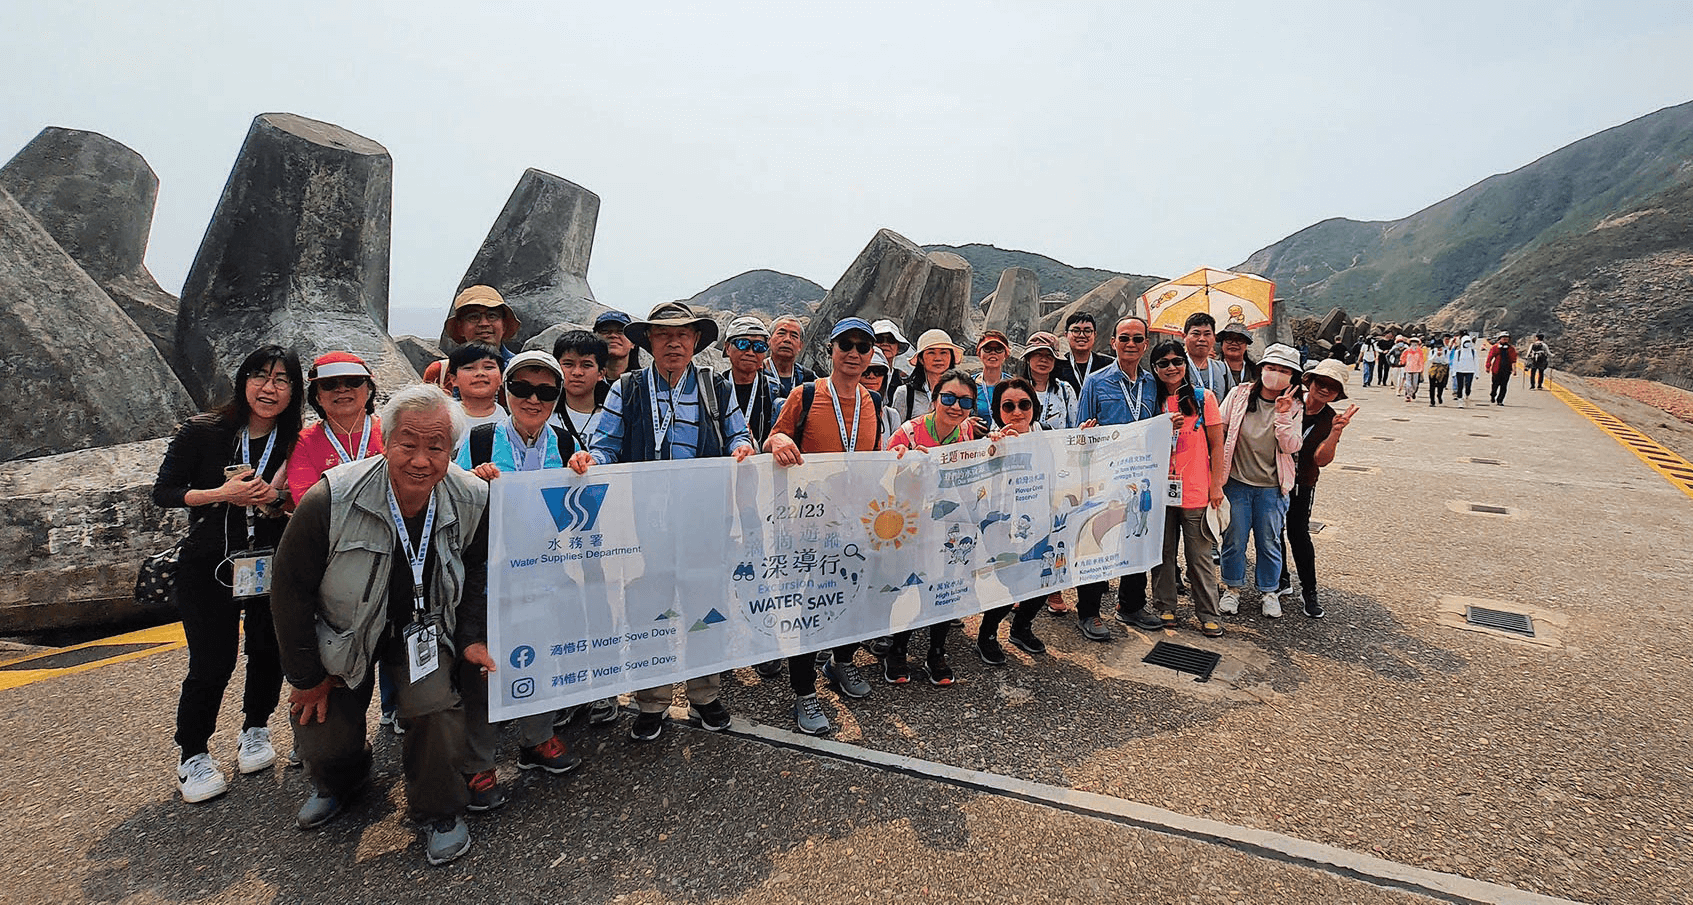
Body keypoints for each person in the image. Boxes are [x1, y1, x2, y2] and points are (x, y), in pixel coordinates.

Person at [271, 384, 493, 865]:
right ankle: (339, 782)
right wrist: (306, 677)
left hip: (423, 626)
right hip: (345, 626)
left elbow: (478, 572)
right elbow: (289, 588)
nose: (420, 459)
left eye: (435, 447)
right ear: (385, 441)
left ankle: (439, 809)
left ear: (452, 451)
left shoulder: (473, 497)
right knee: (323, 727)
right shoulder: (332, 496)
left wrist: (473, 637)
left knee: (434, 709)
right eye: (407, 444)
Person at [567, 301, 756, 741]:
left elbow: (738, 433)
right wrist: (589, 459)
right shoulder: (628, 388)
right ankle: (651, 701)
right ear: (648, 342)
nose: (674, 342)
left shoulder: (715, 387)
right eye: (663, 335)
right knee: (648, 608)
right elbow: (606, 444)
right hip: (643, 525)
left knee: (705, 606)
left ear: (695, 342)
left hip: (705, 520)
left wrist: (742, 449)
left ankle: (705, 695)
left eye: (683, 335)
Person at [152, 346, 303, 803]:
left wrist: (270, 500)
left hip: (269, 560)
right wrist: (221, 493)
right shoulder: (204, 431)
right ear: (242, 381)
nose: (269, 388)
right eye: (259, 376)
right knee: (211, 661)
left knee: (267, 649)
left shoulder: (297, 439)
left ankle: (255, 729)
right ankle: (193, 754)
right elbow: (165, 492)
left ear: (293, 391)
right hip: (208, 562)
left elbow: (296, 503)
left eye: (281, 379)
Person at [455, 350, 583, 809]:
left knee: (544, 655)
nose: (534, 399)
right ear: (506, 392)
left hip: (548, 576)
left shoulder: (567, 445)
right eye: (523, 389)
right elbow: (449, 495)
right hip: (488, 577)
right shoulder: (480, 440)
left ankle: (537, 738)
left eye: (546, 391)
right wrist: (471, 480)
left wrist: (585, 473)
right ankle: (479, 762)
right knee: (485, 667)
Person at [763, 317, 883, 734]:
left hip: (854, 522)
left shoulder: (873, 403)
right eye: (845, 345)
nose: (853, 353)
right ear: (830, 349)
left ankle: (841, 662)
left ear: (871, 355)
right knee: (807, 608)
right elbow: (772, 439)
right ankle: (804, 692)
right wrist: (778, 441)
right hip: (808, 525)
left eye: (862, 346)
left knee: (851, 598)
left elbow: (876, 459)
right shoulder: (806, 393)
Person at [285, 352, 402, 735]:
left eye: (353, 382)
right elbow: (305, 497)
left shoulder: (391, 429)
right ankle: (330, 735)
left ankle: (397, 706)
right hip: (336, 563)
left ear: (369, 389)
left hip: (395, 550)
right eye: (330, 385)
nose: (342, 391)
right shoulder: (304, 440)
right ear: (315, 395)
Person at [885, 369, 985, 685]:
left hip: (951, 528)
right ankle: (897, 650)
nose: (956, 406)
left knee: (944, 588)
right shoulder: (908, 433)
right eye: (949, 398)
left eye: (965, 401)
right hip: (912, 527)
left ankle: (936, 652)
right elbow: (881, 479)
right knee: (907, 586)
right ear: (934, 398)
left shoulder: (968, 436)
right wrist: (901, 463)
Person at [1073, 316, 1164, 638]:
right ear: (1112, 342)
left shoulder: (1152, 384)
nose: (1130, 344)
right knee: (1098, 539)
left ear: (1145, 345)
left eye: (1137, 339)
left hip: (1140, 477)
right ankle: (1089, 612)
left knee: (1136, 538)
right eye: (1124, 338)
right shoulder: (1096, 381)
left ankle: (1131, 606)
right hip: (1104, 475)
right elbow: (1081, 429)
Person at [1216, 343, 1304, 619]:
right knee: (1234, 540)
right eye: (1271, 367)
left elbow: (1291, 446)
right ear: (1260, 369)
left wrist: (1282, 415)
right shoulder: (1239, 394)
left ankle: (1269, 591)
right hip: (1236, 483)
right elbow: (1220, 427)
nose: (1276, 374)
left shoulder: (1295, 406)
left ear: (1293, 376)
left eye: (1284, 370)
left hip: (1271, 488)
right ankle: (1232, 589)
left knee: (1269, 542)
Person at [1147, 339, 1226, 637]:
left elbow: (1218, 445)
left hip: (1195, 490)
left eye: (1177, 361)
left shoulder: (1203, 398)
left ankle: (1208, 611)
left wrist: (1216, 485)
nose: (1171, 367)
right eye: (1163, 363)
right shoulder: (1150, 401)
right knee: (1163, 553)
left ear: (1185, 364)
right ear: (1154, 368)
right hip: (1159, 491)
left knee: (1200, 556)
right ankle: (1164, 605)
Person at [975, 377, 1053, 660]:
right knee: (1006, 583)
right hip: (1002, 527)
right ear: (998, 411)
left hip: (1040, 522)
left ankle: (1021, 628)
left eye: (1024, 404)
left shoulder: (1048, 434)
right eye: (1009, 406)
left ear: (1034, 407)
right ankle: (988, 633)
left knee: (1044, 579)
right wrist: (993, 451)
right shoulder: (989, 442)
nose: (1017, 412)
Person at [1279, 359, 1357, 619]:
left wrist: (1335, 432)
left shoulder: (1329, 419)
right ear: (1309, 382)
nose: (1325, 389)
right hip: (1274, 477)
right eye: (1321, 382)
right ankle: (1281, 579)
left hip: (1302, 482)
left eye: (1332, 387)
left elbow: (1321, 460)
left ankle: (1309, 591)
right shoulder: (1289, 402)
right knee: (1272, 530)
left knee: (1299, 534)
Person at [885, 329, 964, 441]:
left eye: (943, 352)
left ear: (951, 357)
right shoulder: (905, 393)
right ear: (921, 359)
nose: (938, 358)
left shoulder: (962, 391)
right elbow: (896, 435)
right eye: (931, 352)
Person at [549, 329, 611, 453]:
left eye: (586, 365)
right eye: (568, 364)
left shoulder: (613, 417)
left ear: (601, 373)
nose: (577, 372)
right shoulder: (544, 414)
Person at [721, 315, 777, 446]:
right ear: (728, 348)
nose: (751, 352)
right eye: (743, 344)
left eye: (759, 346)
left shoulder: (775, 390)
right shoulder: (715, 389)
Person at [443, 284, 520, 364]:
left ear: (504, 325)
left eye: (492, 316)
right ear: (460, 328)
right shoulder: (444, 372)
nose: (484, 323)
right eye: (473, 317)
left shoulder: (519, 369)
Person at [446, 342, 505, 435]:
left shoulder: (514, 418)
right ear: (453, 379)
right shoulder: (445, 418)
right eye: (469, 368)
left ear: (501, 377)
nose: (480, 373)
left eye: (488, 367)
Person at [1022, 331, 1077, 430]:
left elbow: (1074, 426)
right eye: (1038, 354)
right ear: (1028, 357)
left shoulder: (1065, 390)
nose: (1044, 360)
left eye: (1049, 355)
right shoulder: (1016, 389)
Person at [1052, 312, 1113, 397]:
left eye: (1087, 331)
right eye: (1076, 331)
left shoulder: (1108, 365)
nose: (1081, 335)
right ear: (1066, 335)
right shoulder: (1057, 365)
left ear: (1094, 334)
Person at [765, 314, 816, 404]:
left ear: (800, 345)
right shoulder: (755, 374)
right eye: (781, 333)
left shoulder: (809, 379)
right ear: (769, 340)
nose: (787, 339)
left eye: (794, 336)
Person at [971, 330, 1012, 427]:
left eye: (999, 349)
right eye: (987, 349)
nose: (993, 353)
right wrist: (967, 423)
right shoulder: (968, 384)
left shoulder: (1013, 385)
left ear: (1006, 354)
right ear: (979, 353)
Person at [1184, 312, 1226, 395]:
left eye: (1207, 334)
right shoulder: (1178, 367)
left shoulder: (1222, 368)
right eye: (1196, 334)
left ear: (1214, 337)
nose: (1202, 339)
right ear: (1184, 336)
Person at [594, 310, 641, 383]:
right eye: (605, 331)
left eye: (621, 331)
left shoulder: (645, 383)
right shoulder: (585, 381)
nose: (613, 335)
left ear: (633, 343)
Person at [1217, 321, 1258, 395]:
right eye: (1229, 339)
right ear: (1222, 343)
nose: (1234, 343)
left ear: (1246, 345)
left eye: (1240, 340)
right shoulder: (1212, 369)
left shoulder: (1256, 372)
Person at [871, 318, 911, 387]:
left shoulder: (904, 379)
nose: (885, 344)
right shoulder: (860, 373)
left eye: (891, 340)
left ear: (898, 347)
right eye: (879, 339)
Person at [1488, 332, 1519, 405]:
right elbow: (1490, 357)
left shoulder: (1511, 349)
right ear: (1500, 339)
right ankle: (1493, 395)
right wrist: (1488, 366)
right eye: (1503, 338)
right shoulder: (1495, 347)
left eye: (1506, 338)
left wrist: (1514, 370)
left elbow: (1513, 360)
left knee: (1504, 386)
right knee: (1495, 385)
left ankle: (1500, 400)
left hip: (1506, 369)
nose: (1505, 339)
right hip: (1496, 369)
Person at [1451, 331, 1479, 407]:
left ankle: (1467, 394)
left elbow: (1476, 362)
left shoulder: (1473, 352)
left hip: (1470, 370)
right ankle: (1460, 400)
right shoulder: (1458, 352)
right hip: (1460, 371)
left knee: (1468, 385)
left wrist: (1477, 373)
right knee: (1460, 386)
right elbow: (1455, 362)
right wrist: (1454, 373)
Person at [1400, 337, 1428, 402]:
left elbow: (1421, 361)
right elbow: (1403, 358)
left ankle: (1413, 392)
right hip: (1408, 369)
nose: (1414, 345)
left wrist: (1421, 368)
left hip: (1417, 370)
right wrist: (1402, 362)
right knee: (1408, 383)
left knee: (1415, 384)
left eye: (1415, 344)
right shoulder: (1406, 351)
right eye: (1412, 343)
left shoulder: (1420, 352)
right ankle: (1408, 395)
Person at [1426, 338, 1451, 407]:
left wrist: (1442, 356)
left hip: (1442, 367)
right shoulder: (1432, 351)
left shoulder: (1446, 352)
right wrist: (1435, 355)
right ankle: (1432, 401)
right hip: (1434, 366)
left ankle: (1439, 395)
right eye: (1437, 347)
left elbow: (1447, 361)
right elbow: (1430, 360)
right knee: (1432, 385)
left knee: (1441, 384)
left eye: (1440, 347)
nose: (1439, 348)